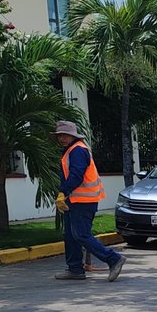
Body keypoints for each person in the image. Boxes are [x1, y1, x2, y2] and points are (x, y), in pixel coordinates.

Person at [53, 121, 124, 282]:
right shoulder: (73, 150)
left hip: (83, 201)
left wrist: (63, 192)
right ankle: (75, 269)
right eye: (60, 135)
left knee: (81, 235)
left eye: (65, 135)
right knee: (71, 235)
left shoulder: (77, 150)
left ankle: (114, 259)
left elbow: (76, 175)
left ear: (73, 135)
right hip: (76, 200)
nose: (62, 138)